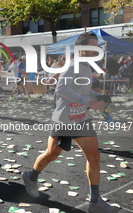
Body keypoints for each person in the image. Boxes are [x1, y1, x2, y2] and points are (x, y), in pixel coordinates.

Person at [22, 32, 120, 213]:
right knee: (51, 154)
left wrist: (98, 96)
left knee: (95, 157)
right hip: (64, 121)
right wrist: (88, 102)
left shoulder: (87, 67)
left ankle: (95, 202)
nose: (96, 50)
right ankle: (31, 176)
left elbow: (85, 90)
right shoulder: (73, 65)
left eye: (96, 47)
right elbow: (61, 88)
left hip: (81, 119)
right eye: (92, 47)